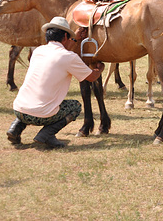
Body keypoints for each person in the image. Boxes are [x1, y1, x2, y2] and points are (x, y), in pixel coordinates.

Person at [6, 16, 105, 149]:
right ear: (65, 36)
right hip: (41, 114)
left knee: (32, 103)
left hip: (19, 110)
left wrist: (74, 39)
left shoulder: (38, 51)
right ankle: (46, 134)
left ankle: (16, 127)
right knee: (75, 106)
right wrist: (99, 69)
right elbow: (92, 77)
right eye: (69, 38)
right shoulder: (69, 58)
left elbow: (61, 52)